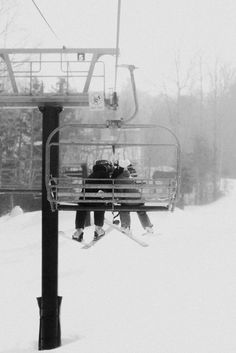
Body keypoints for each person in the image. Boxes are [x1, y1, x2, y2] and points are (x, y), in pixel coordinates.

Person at [72, 160, 112, 242]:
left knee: (81, 207)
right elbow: (109, 188)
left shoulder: (91, 175)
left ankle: (78, 231)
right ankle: (98, 229)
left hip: (84, 201)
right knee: (100, 204)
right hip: (97, 201)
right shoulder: (105, 174)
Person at [111, 159, 154, 235]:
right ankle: (148, 227)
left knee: (124, 209)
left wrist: (118, 200)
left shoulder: (118, 179)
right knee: (141, 210)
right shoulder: (131, 178)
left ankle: (126, 226)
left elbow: (120, 194)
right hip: (139, 201)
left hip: (128, 202)